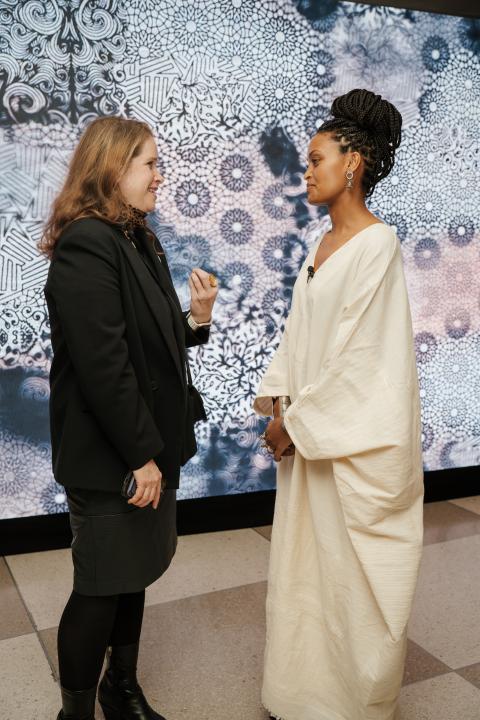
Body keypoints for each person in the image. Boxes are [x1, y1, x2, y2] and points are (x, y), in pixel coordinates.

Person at [40, 116, 218, 720]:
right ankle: (75, 713)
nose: (159, 176)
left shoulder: (137, 237)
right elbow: (104, 365)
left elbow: (150, 341)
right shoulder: (87, 241)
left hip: (145, 446)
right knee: (98, 588)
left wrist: (195, 317)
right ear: (113, 168)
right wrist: (142, 455)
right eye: (150, 163)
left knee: (133, 573)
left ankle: (122, 688)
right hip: (112, 454)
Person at [254, 89, 424, 720]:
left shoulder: (377, 246)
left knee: (349, 576)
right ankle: (300, 695)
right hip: (308, 438)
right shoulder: (320, 249)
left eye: (316, 158)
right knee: (306, 571)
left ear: (353, 163)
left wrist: (294, 424)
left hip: (344, 444)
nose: (307, 170)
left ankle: (350, 704)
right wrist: (279, 407)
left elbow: (366, 360)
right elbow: (302, 338)